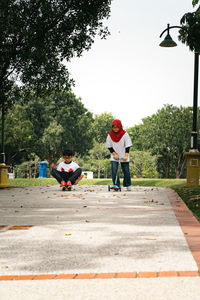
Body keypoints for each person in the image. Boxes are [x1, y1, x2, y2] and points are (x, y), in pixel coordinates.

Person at [106, 119, 132, 191]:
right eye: (114, 127)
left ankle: (128, 184)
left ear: (120, 126)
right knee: (114, 170)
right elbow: (109, 146)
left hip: (124, 155)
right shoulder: (110, 135)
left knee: (126, 170)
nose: (115, 129)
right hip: (115, 155)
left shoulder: (125, 134)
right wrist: (114, 154)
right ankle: (116, 185)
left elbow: (128, 145)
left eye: (117, 127)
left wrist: (126, 155)